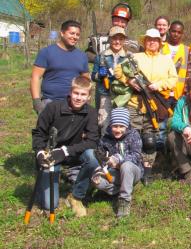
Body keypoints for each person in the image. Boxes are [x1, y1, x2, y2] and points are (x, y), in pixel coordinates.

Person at [114, 28, 177, 185]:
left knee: (150, 139)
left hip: (155, 105)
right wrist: (130, 82)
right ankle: (132, 168)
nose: (152, 42)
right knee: (131, 137)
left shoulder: (166, 60)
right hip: (134, 104)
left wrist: (159, 85)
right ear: (144, 41)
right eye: (149, 39)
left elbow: (173, 79)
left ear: (160, 43)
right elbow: (117, 71)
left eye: (155, 40)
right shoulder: (135, 57)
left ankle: (147, 171)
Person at [32, 76, 99, 217]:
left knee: (92, 157)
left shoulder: (91, 112)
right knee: (50, 204)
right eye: (76, 93)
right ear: (70, 92)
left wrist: (65, 151)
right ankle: (42, 185)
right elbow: (39, 133)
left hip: (73, 153)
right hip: (51, 154)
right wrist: (40, 152)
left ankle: (76, 196)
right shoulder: (53, 108)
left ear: (89, 96)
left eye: (83, 94)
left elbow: (93, 141)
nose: (79, 98)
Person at [91, 107, 143, 218]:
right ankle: (114, 190)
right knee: (97, 180)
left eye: (121, 126)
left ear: (127, 126)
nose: (118, 130)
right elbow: (101, 156)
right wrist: (101, 167)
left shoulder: (134, 135)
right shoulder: (105, 138)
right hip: (113, 172)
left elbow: (136, 155)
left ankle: (124, 200)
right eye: (115, 126)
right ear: (110, 125)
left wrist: (119, 159)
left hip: (132, 171)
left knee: (126, 166)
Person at [31, 20, 89, 115]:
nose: (75, 37)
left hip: (74, 103)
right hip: (50, 102)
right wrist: (36, 101)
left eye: (77, 34)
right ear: (62, 33)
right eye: (72, 33)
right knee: (49, 130)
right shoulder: (47, 52)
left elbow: (86, 80)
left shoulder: (82, 56)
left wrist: (86, 100)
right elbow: (35, 77)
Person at [91, 26, 131, 135]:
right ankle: (105, 147)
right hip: (106, 94)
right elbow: (93, 76)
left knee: (121, 123)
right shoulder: (101, 56)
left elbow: (133, 77)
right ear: (109, 39)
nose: (117, 41)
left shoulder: (129, 56)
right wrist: (100, 75)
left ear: (124, 40)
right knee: (104, 122)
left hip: (122, 95)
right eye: (114, 38)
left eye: (120, 39)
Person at [161, 20, 188, 107]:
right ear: (169, 31)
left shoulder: (187, 50)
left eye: (179, 32)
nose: (176, 34)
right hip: (163, 92)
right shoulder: (161, 47)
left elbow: (189, 73)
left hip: (180, 93)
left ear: (182, 34)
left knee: (179, 120)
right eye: (174, 31)